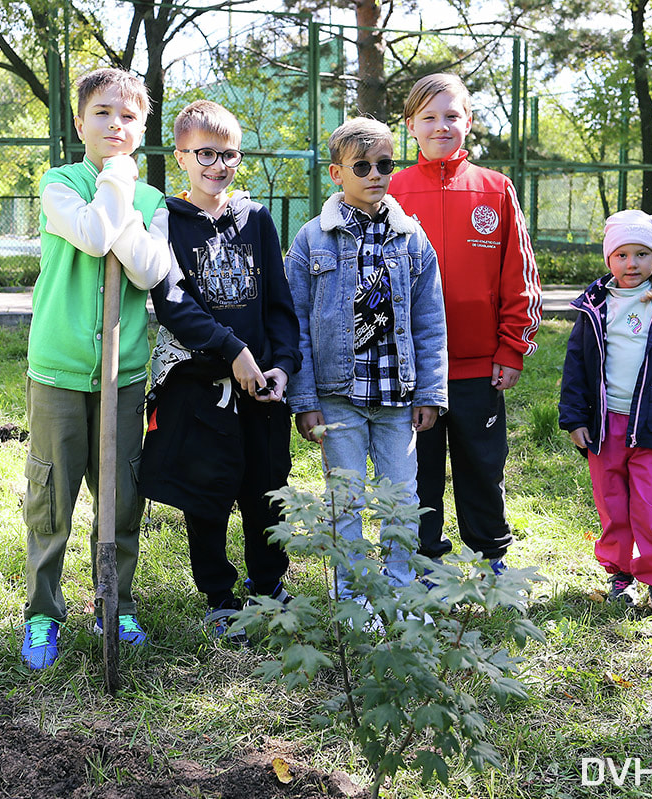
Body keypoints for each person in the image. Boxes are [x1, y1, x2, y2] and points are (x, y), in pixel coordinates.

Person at [20, 68, 173, 670]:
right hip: (59, 367)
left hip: (123, 369)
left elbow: (146, 270)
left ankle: (117, 601)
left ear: (142, 127)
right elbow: (90, 235)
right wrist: (116, 182)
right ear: (79, 122)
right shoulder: (59, 183)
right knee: (51, 494)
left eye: (128, 116)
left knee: (121, 494)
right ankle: (42, 612)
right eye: (103, 112)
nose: (116, 124)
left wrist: (126, 193)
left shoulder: (153, 199)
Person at [141, 100, 301, 643]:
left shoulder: (256, 219)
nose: (218, 165)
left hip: (261, 388)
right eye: (205, 154)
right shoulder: (164, 219)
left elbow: (279, 303)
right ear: (182, 156)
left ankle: (269, 585)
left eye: (229, 154)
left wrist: (281, 366)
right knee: (206, 495)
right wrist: (231, 350)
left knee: (266, 489)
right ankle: (217, 595)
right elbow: (173, 303)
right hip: (199, 386)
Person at [285, 117, 448, 617]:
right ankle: (352, 595)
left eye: (385, 164)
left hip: (399, 398)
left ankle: (398, 590)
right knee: (347, 499)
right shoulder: (313, 240)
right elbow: (297, 327)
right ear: (337, 173)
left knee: (401, 497)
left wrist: (430, 392)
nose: (376, 174)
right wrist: (306, 401)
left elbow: (429, 321)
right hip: (340, 398)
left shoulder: (411, 239)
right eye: (362, 166)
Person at [386, 73, 541, 573]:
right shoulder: (392, 191)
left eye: (452, 115)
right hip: (413, 369)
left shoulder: (494, 189)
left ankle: (489, 556)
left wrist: (512, 347)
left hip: (479, 367)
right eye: (429, 117)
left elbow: (519, 274)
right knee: (419, 468)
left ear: (468, 122)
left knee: (481, 464)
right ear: (411, 126)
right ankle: (425, 559)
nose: (441, 126)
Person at [559, 210, 652, 621]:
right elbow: (576, 364)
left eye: (642, 254)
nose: (632, 264)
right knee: (612, 505)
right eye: (623, 254)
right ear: (609, 260)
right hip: (605, 425)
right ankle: (620, 575)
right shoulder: (595, 306)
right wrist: (575, 418)